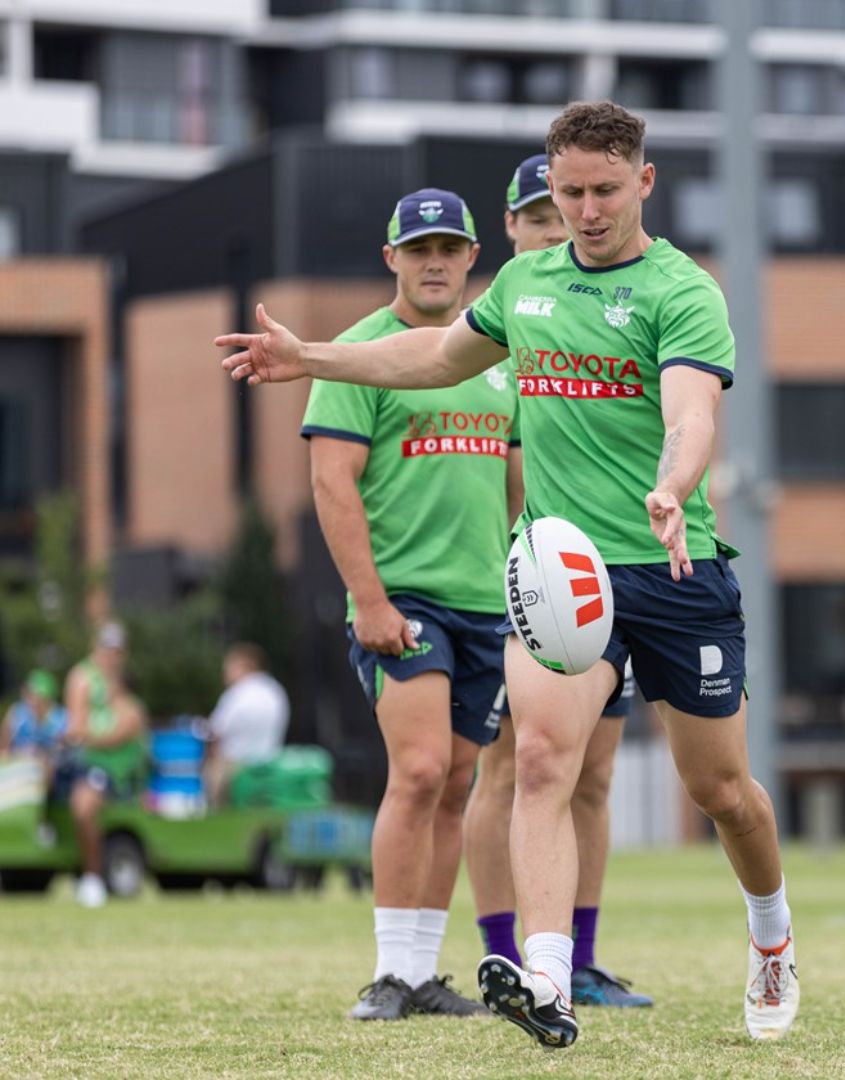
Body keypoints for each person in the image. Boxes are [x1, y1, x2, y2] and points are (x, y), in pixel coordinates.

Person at [216, 101, 799, 1048]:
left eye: (605, 190)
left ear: (643, 183)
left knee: (722, 791)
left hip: (672, 564)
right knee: (536, 763)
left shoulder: (681, 291)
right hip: (561, 570)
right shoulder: (526, 282)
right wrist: (309, 354)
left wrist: (673, 483)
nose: (586, 209)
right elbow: (437, 356)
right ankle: (549, 982)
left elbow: (692, 411)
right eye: (568, 192)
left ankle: (771, 936)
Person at [299, 187, 522, 1021]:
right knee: (421, 768)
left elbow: (515, 481)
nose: (435, 262)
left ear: (473, 258)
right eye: (418, 249)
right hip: (404, 602)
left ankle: (425, 976)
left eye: (450, 248)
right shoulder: (360, 352)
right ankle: (390, 973)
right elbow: (331, 481)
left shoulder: (494, 356)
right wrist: (368, 599)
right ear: (391, 258)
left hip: (485, 606)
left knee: (459, 782)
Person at [461, 152, 652, 1009]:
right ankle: (506, 952)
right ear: (512, 228)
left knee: (593, 777)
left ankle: (579, 957)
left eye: (574, 203)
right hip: (527, 586)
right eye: (541, 212)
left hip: (602, 584)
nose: (561, 221)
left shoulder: (604, 313)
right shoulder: (503, 338)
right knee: (515, 772)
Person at [62, 621, 147, 908]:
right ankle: (88, 876)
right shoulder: (83, 677)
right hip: (85, 763)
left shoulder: (125, 694)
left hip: (118, 771)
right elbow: (76, 729)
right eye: (106, 649)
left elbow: (129, 727)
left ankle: (93, 877)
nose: (110, 657)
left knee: (86, 807)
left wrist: (92, 736)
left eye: (116, 651)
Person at [204, 642, 289, 808]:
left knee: (209, 773)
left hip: (236, 766)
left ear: (243, 665)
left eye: (228, 668)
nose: (224, 674)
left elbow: (214, 731)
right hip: (271, 760)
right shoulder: (275, 690)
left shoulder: (238, 693)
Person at [0, 670, 67, 767]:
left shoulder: (60, 718)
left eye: (34, 694)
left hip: (50, 767)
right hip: (18, 763)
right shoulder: (17, 713)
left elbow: (65, 749)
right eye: (28, 694)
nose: (31, 701)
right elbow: (3, 746)